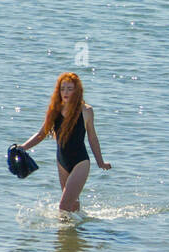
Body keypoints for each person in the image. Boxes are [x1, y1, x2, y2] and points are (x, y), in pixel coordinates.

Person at [19, 72, 110, 212]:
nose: (65, 92)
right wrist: (23, 147)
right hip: (62, 162)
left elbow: (92, 137)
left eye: (69, 89)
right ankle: (75, 232)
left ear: (77, 90)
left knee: (63, 206)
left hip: (80, 162)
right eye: (62, 89)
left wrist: (100, 162)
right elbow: (41, 134)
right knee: (72, 206)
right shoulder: (55, 110)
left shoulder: (86, 111)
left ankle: (65, 231)